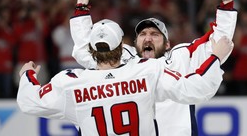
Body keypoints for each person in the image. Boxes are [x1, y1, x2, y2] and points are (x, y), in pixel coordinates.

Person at [70, 0, 239, 135]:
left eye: (155, 34)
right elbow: (87, 47)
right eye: (143, 34)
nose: (148, 38)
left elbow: (220, 40)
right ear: (135, 42)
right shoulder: (122, 60)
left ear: (167, 44)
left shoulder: (182, 57)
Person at [17, 19, 233, 136]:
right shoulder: (144, 73)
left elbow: (29, 102)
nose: (148, 38)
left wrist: (27, 75)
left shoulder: (72, 83)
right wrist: (215, 58)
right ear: (123, 46)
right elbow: (199, 87)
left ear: (91, 51)